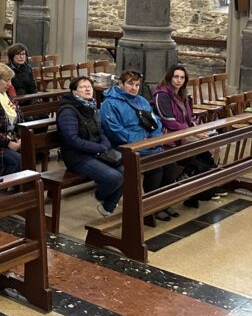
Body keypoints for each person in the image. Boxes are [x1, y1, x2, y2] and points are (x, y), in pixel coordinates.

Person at [101, 70, 180, 223]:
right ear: (120, 84)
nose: (134, 88)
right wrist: (141, 140)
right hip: (125, 148)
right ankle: (150, 208)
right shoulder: (109, 104)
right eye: (130, 84)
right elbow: (114, 131)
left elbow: (155, 122)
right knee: (155, 168)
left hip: (148, 145)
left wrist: (155, 138)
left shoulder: (142, 101)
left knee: (170, 165)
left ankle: (163, 203)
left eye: (137, 85)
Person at [153, 65, 224, 206]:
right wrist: (192, 133)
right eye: (176, 77)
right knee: (194, 156)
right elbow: (169, 121)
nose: (179, 80)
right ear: (169, 77)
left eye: (182, 77)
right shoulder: (162, 95)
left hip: (184, 133)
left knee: (205, 152)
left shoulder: (183, 95)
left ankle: (211, 186)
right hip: (170, 137)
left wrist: (197, 130)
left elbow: (190, 118)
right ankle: (202, 191)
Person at [57, 76, 124, 218]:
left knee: (127, 170)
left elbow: (100, 131)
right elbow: (72, 139)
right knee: (114, 178)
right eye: (82, 87)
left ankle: (108, 207)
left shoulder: (90, 106)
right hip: (77, 157)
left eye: (89, 86)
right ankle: (99, 195)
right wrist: (98, 148)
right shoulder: (68, 111)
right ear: (74, 92)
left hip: (96, 152)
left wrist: (105, 144)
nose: (87, 89)